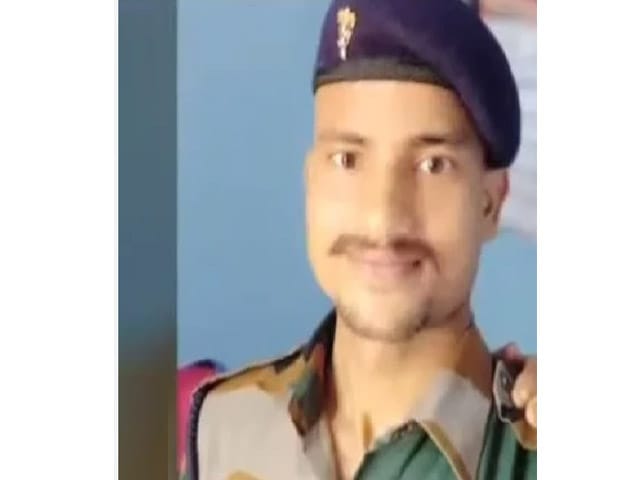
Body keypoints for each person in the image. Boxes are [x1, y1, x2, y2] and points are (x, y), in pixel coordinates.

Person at [181, 0, 537, 478]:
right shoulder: (222, 427)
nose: (382, 219)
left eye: (433, 165)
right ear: (310, 181)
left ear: (490, 203)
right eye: (347, 159)